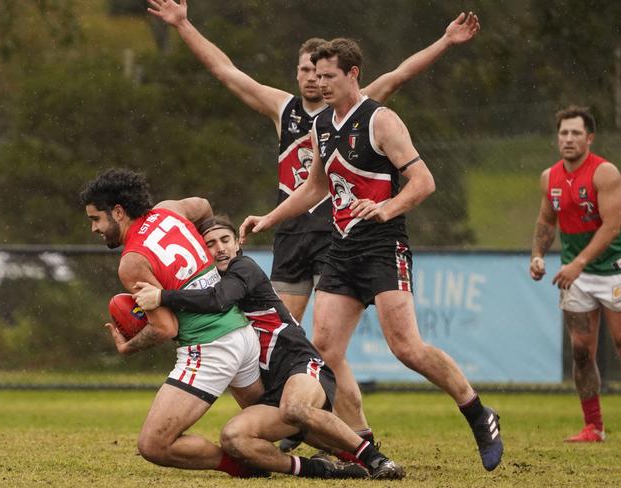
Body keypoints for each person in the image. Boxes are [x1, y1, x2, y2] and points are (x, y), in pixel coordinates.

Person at [239, 38, 504, 472]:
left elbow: (423, 181)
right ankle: (359, 444)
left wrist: (386, 208)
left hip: (384, 247)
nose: (321, 84)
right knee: (323, 349)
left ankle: (478, 414)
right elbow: (314, 187)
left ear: (353, 74)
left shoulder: (381, 120)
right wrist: (269, 218)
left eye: (329, 76)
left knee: (406, 347)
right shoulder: (322, 124)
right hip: (342, 248)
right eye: (316, 75)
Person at [146, 0, 480, 326]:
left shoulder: (358, 110)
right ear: (297, 72)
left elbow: (400, 75)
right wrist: (182, 24)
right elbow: (226, 72)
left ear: (341, 75)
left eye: (319, 72)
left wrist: (446, 41)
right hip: (292, 233)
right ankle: (297, 382)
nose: (313, 79)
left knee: (328, 341)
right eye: (305, 70)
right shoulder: (284, 109)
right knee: (281, 327)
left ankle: (328, 382)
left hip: (334, 232)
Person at [79, 168, 361, 479]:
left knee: (153, 444)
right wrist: (203, 265)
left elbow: (165, 328)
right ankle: (355, 455)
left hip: (210, 349)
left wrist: (127, 346)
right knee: (275, 418)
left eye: (96, 219)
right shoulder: (169, 211)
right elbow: (202, 205)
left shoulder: (132, 260)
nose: (94, 228)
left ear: (118, 212)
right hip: (241, 334)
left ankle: (242, 467)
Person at [134, 215, 402, 479]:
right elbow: (187, 313)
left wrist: (161, 296)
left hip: (300, 365)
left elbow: (219, 298)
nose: (220, 248)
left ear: (237, 243)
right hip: (271, 392)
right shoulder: (201, 289)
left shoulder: (244, 268)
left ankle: (377, 459)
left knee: (294, 408)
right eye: (210, 244)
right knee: (233, 439)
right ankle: (320, 469)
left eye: (225, 239)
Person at [529, 106, 621, 442]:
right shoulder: (548, 177)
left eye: (576, 133)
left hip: (613, 269)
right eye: (564, 133)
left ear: (590, 138)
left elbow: (612, 226)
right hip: (577, 276)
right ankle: (593, 426)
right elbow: (546, 222)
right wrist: (538, 256)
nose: (568, 139)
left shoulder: (605, 173)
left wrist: (578, 263)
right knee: (581, 351)